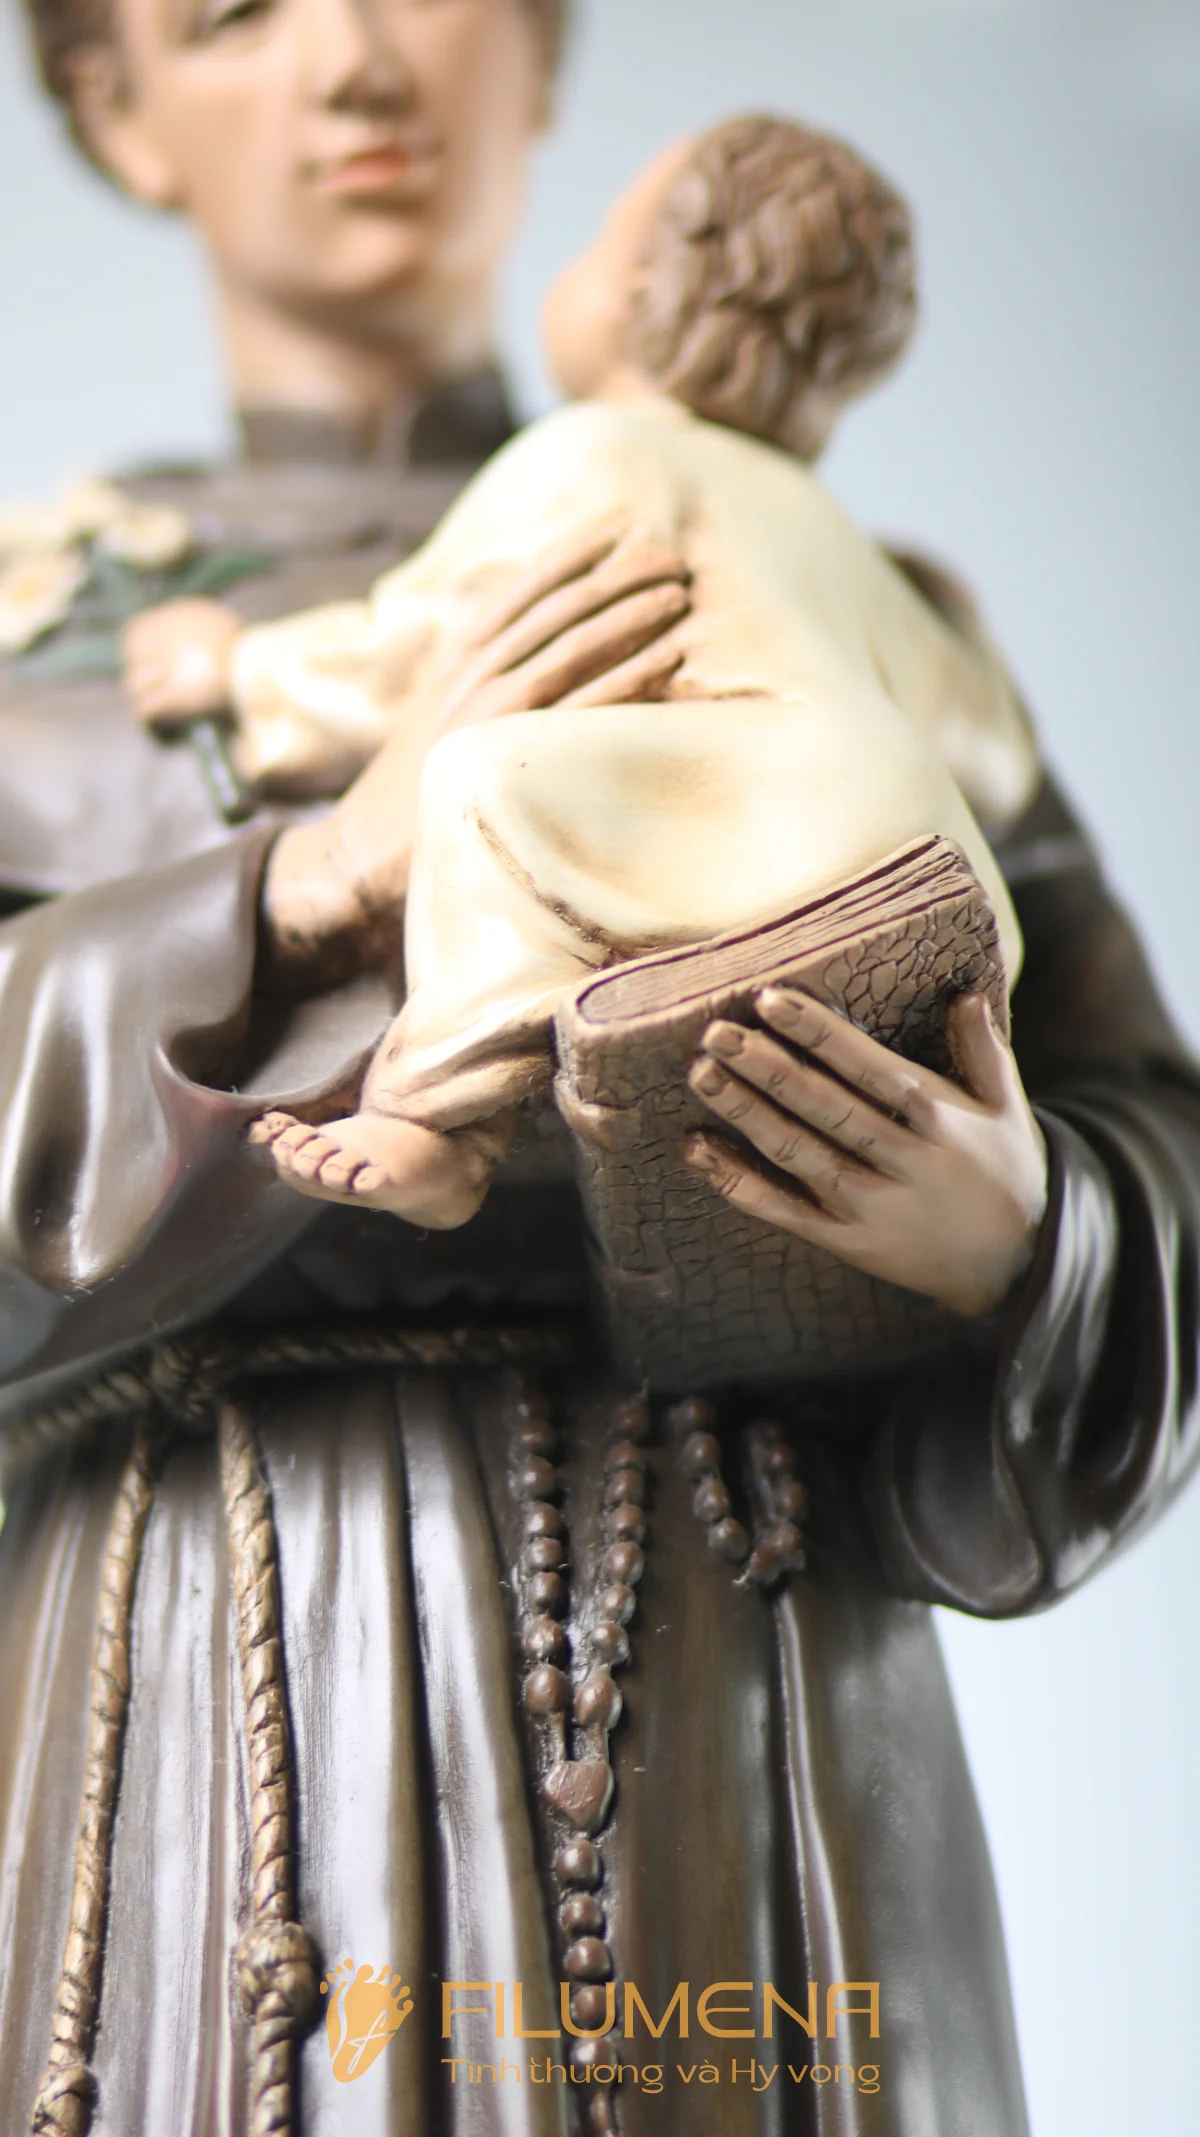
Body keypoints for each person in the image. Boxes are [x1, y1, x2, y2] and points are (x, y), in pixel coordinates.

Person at [1, 13, 1198, 2137]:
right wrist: (310, 879)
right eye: (233, 11)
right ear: (116, 105)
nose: (355, 63)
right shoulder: (39, 650)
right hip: (205, 1666)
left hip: (749, 1673)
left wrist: (1023, 1234)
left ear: (545, 49)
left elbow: (1142, 1128)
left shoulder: (812, 590)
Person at [122, 117, 1031, 1234]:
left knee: (481, 779)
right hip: (915, 854)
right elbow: (988, 750)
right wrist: (958, 621)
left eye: (605, 235)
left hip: (732, 807)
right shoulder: (835, 529)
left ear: (639, 290)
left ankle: (436, 1121)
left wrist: (239, 669)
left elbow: (418, 641)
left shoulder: (588, 449)